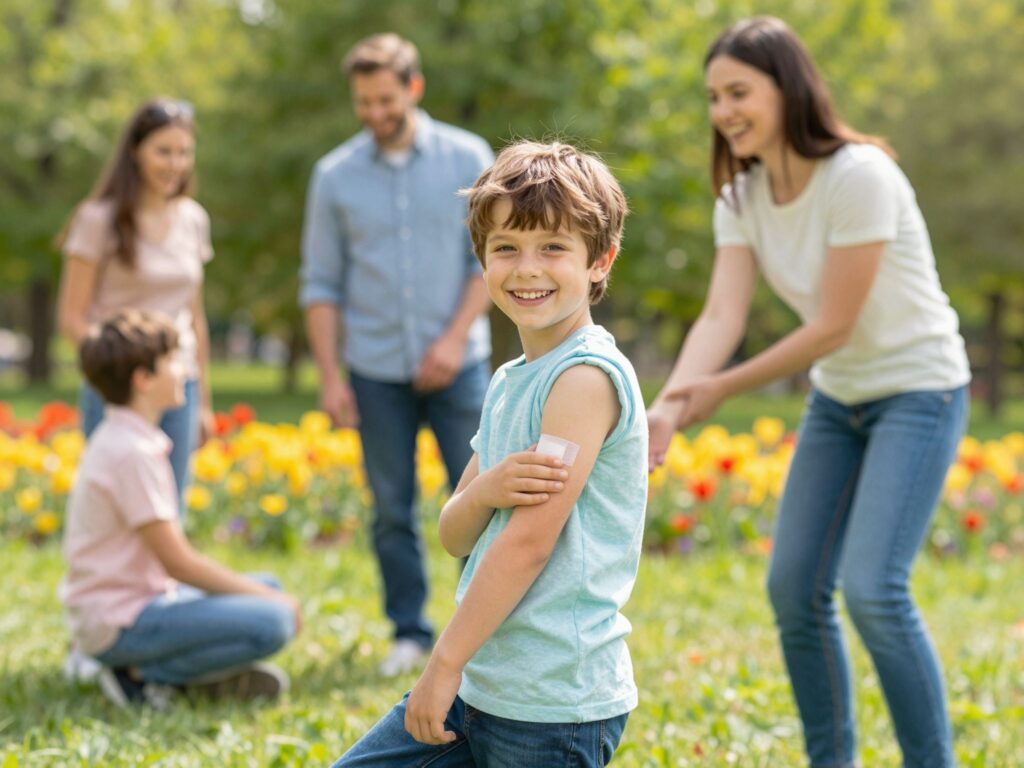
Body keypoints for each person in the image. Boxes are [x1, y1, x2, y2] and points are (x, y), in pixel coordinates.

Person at [648, 17, 970, 768]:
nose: (723, 111)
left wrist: (719, 389)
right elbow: (722, 313)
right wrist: (670, 401)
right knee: (794, 588)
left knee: (875, 591)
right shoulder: (741, 196)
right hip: (841, 400)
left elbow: (832, 325)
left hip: (919, 390)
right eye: (713, 97)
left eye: (738, 92)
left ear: (787, 88)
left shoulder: (860, 175)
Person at [332, 140, 646, 766]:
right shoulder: (509, 380)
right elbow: (454, 533)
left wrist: (441, 663)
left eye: (553, 247)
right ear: (482, 262)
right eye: (506, 248)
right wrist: (484, 489)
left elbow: (529, 543)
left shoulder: (583, 378)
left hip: (552, 703)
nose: (527, 268)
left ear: (599, 261)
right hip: (483, 682)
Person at [300, 33, 494, 677]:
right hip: (375, 370)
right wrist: (330, 376)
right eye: (363, 101)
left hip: (458, 364)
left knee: (481, 495)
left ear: (414, 88)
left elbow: (489, 262)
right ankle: (409, 631)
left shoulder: (469, 158)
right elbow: (321, 284)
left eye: (385, 98)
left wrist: (449, 340)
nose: (374, 112)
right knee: (391, 507)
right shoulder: (334, 176)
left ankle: (489, 629)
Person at [59, 310, 300, 709]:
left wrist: (264, 594)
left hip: (137, 603)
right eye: (173, 359)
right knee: (273, 619)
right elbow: (179, 563)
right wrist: (273, 603)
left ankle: (185, 677)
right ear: (143, 379)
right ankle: (140, 676)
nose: (186, 369)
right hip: (121, 623)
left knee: (269, 588)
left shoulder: (127, 438)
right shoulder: (129, 453)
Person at [56, 98, 215, 505]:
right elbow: (72, 318)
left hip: (177, 385)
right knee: (115, 506)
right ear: (135, 152)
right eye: (163, 151)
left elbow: (194, 318)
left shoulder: (193, 219)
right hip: (118, 388)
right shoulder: (97, 219)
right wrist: (121, 373)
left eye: (184, 152)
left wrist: (203, 403)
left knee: (169, 509)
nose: (175, 163)